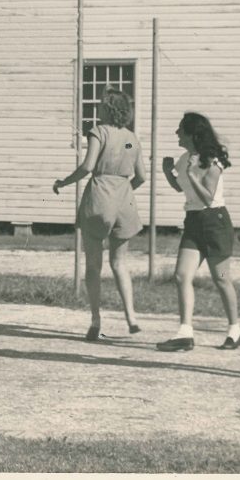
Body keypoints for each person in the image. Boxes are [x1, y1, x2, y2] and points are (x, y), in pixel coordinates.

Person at [53, 89, 144, 340]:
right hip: (125, 199)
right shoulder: (131, 137)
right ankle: (131, 316)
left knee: (94, 265)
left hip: (99, 197)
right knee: (120, 263)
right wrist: (123, 192)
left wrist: (63, 182)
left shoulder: (98, 131)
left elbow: (87, 167)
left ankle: (95, 321)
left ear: (107, 109)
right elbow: (142, 176)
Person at [157, 113, 240, 352]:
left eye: (180, 129)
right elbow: (180, 188)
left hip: (215, 220)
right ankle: (185, 332)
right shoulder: (184, 158)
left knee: (221, 279)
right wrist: (167, 173)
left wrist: (194, 175)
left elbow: (208, 197)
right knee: (182, 276)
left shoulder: (213, 161)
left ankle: (235, 331)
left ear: (193, 134)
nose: (177, 133)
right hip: (193, 221)